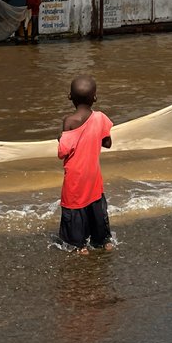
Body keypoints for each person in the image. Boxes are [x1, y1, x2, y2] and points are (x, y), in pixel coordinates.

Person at [58, 75, 114, 253]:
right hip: (93, 175)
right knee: (96, 204)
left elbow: (63, 152)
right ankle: (104, 242)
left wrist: (60, 138)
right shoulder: (100, 118)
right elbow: (107, 143)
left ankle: (79, 246)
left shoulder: (70, 121)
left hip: (75, 178)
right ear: (95, 98)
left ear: (69, 97)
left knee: (75, 208)